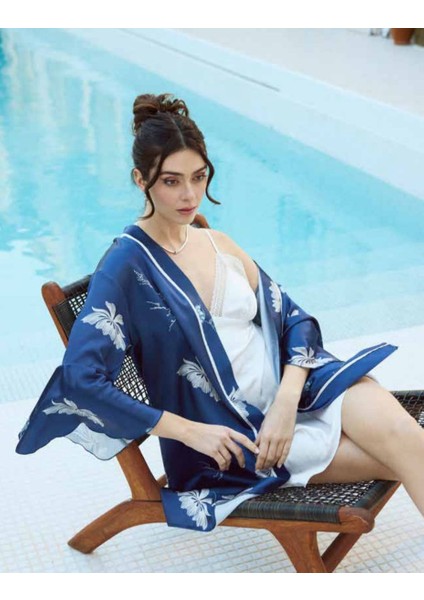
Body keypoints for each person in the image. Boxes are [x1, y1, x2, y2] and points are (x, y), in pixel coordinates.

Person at [16, 93, 424, 532]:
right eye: (171, 181)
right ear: (140, 179)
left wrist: (287, 401)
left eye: (198, 176)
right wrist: (189, 431)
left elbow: (294, 318)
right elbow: (80, 380)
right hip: (238, 436)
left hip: (300, 388)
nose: (190, 195)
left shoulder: (216, 241)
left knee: (410, 441)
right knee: (409, 453)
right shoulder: (126, 267)